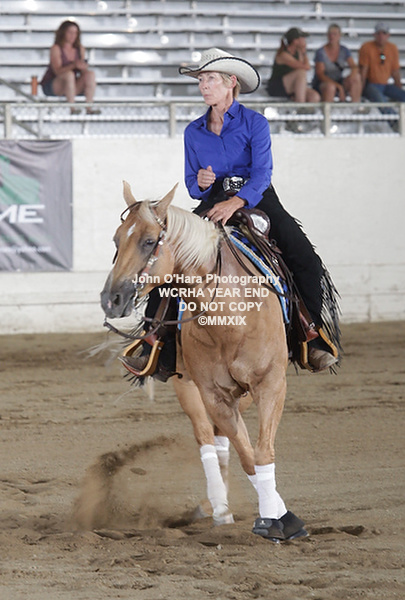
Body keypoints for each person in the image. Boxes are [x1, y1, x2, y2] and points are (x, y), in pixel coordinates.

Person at [125, 48, 339, 377]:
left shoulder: (255, 123)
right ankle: (155, 344)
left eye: (210, 79)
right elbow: (192, 183)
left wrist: (236, 201)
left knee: (306, 260)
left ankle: (311, 337)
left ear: (231, 82)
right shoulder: (193, 131)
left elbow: (262, 174)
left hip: (257, 198)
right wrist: (200, 182)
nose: (203, 85)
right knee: (170, 258)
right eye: (201, 80)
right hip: (213, 200)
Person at [40, 20, 100, 114]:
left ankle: (89, 107)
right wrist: (73, 65)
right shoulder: (56, 48)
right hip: (55, 84)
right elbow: (57, 71)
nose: (73, 36)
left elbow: (82, 71)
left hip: (71, 85)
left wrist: (82, 67)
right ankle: (72, 108)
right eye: (70, 32)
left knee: (90, 74)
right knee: (69, 75)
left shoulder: (80, 48)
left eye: (75, 33)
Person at [266, 28, 320, 102]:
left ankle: (306, 108)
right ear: (295, 40)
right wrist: (304, 53)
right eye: (302, 38)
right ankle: (300, 104)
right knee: (301, 72)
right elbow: (305, 67)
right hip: (278, 86)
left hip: (292, 85)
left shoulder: (298, 52)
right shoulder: (284, 55)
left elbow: (307, 66)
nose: (305, 40)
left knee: (314, 96)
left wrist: (302, 52)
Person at [312, 23, 362, 102]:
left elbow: (354, 66)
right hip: (323, 83)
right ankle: (328, 108)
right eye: (330, 34)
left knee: (356, 78)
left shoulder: (344, 50)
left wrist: (352, 76)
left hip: (339, 80)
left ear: (339, 36)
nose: (332, 36)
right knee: (330, 87)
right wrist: (338, 86)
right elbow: (320, 74)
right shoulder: (321, 52)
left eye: (334, 34)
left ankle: (356, 105)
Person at [359, 21, 405, 106]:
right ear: (374, 35)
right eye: (378, 33)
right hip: (370, 84)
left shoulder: (392, 48)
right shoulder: (367, 47)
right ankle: (393, 114)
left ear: (388, 35)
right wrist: (360, 90)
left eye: (384, 33)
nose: (381, 36)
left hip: (385, 84)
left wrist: (399, 88)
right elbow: (364, 70)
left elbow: (395, 71)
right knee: (381, 100)